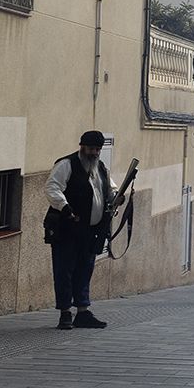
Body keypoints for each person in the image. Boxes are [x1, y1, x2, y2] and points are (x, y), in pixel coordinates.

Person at [44, 130, 130, 329]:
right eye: (91, 149)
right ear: (82, 147)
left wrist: (117, 197)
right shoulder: (66, 165)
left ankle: (82, 311)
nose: (94, 153)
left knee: (85, 269)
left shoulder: (100, 168)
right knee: (65, 270)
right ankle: (65, 312)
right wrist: (65, 207)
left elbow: (110, 189)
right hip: (68, 228)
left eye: (97, 149)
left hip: (90, 230)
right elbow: (52, 187)